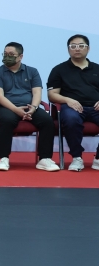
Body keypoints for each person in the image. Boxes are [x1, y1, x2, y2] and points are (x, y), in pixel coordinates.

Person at [0, 42, 57, 172]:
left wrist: (33, 108)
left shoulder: (32, 71)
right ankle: (3, 158)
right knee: (7, 120)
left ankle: (44, 158)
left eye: (11, 54)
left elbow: (37, 93)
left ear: (20, 57)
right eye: (5, 54)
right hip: (7, 107)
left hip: (29, 107)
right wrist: (16, 110)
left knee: (47, 121)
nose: (7, 57)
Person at [48, 35, 99, 172]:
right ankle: (77, 157)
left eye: (81, 46)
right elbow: (52, 94)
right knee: (71, 120)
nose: (77, 49)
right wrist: (67, 100)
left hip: (96, 107)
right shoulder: (59, 70)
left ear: (88, 49)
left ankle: (98, 158)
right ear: (68, 49)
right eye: (73, 46)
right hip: (72, 107)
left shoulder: (97, 68)